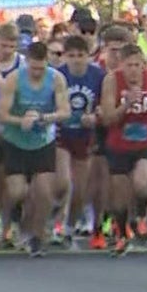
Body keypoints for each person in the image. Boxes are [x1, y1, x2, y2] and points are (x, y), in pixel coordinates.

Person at [0, 41, 71, 257]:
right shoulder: (14, 80)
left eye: (41, 68)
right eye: (34, 68)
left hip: (42, 142)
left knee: (44, 192)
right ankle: (15, 218)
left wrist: (44, 118)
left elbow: (65, 111)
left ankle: (37, 237)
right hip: (16, 142)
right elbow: (2, 114)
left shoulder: (56, 78)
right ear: (27, 62)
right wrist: (21, 121)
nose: (38, 72)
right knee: (17, 190)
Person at [100, 43, 147, 256]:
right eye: (129, 65)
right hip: (119, 144)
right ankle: (122, 233)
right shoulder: (112, 81)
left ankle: (141, 214)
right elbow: (107, 118)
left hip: (146, 142)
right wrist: (125, 104)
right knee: (120, 194)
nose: (134, 70)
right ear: (121, 65)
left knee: (142, 183)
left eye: (137, 65)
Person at [55, 35, 105, 248]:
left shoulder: (98, 76)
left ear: (88, 56)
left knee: (80, 189)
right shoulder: (58, 75)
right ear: (65, 56)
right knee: (63, 181)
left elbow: (104, 106)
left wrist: (95, 118)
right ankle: (55, 220)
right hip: (62, 134)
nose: (76, 60)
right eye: (71, 55)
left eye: (81, 55)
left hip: (85, 136)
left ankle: (69, 226)